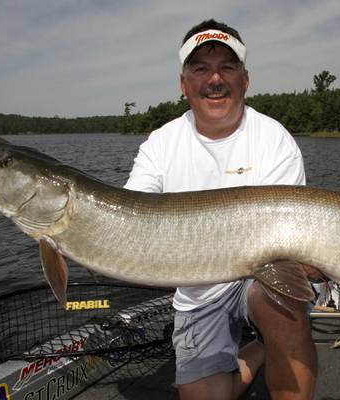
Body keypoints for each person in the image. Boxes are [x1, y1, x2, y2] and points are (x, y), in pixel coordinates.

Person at [124, 19, 320, 400]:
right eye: (201, 69)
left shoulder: (273, 139)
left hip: (260, 277)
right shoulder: (160, 144)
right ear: (184, 84)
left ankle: (273, 340)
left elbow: (288, 243)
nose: (215, 78)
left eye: (227, 67)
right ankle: (259, 350)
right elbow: (132, 217)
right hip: (198, 293)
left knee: (286, 313)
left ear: (244, 79)